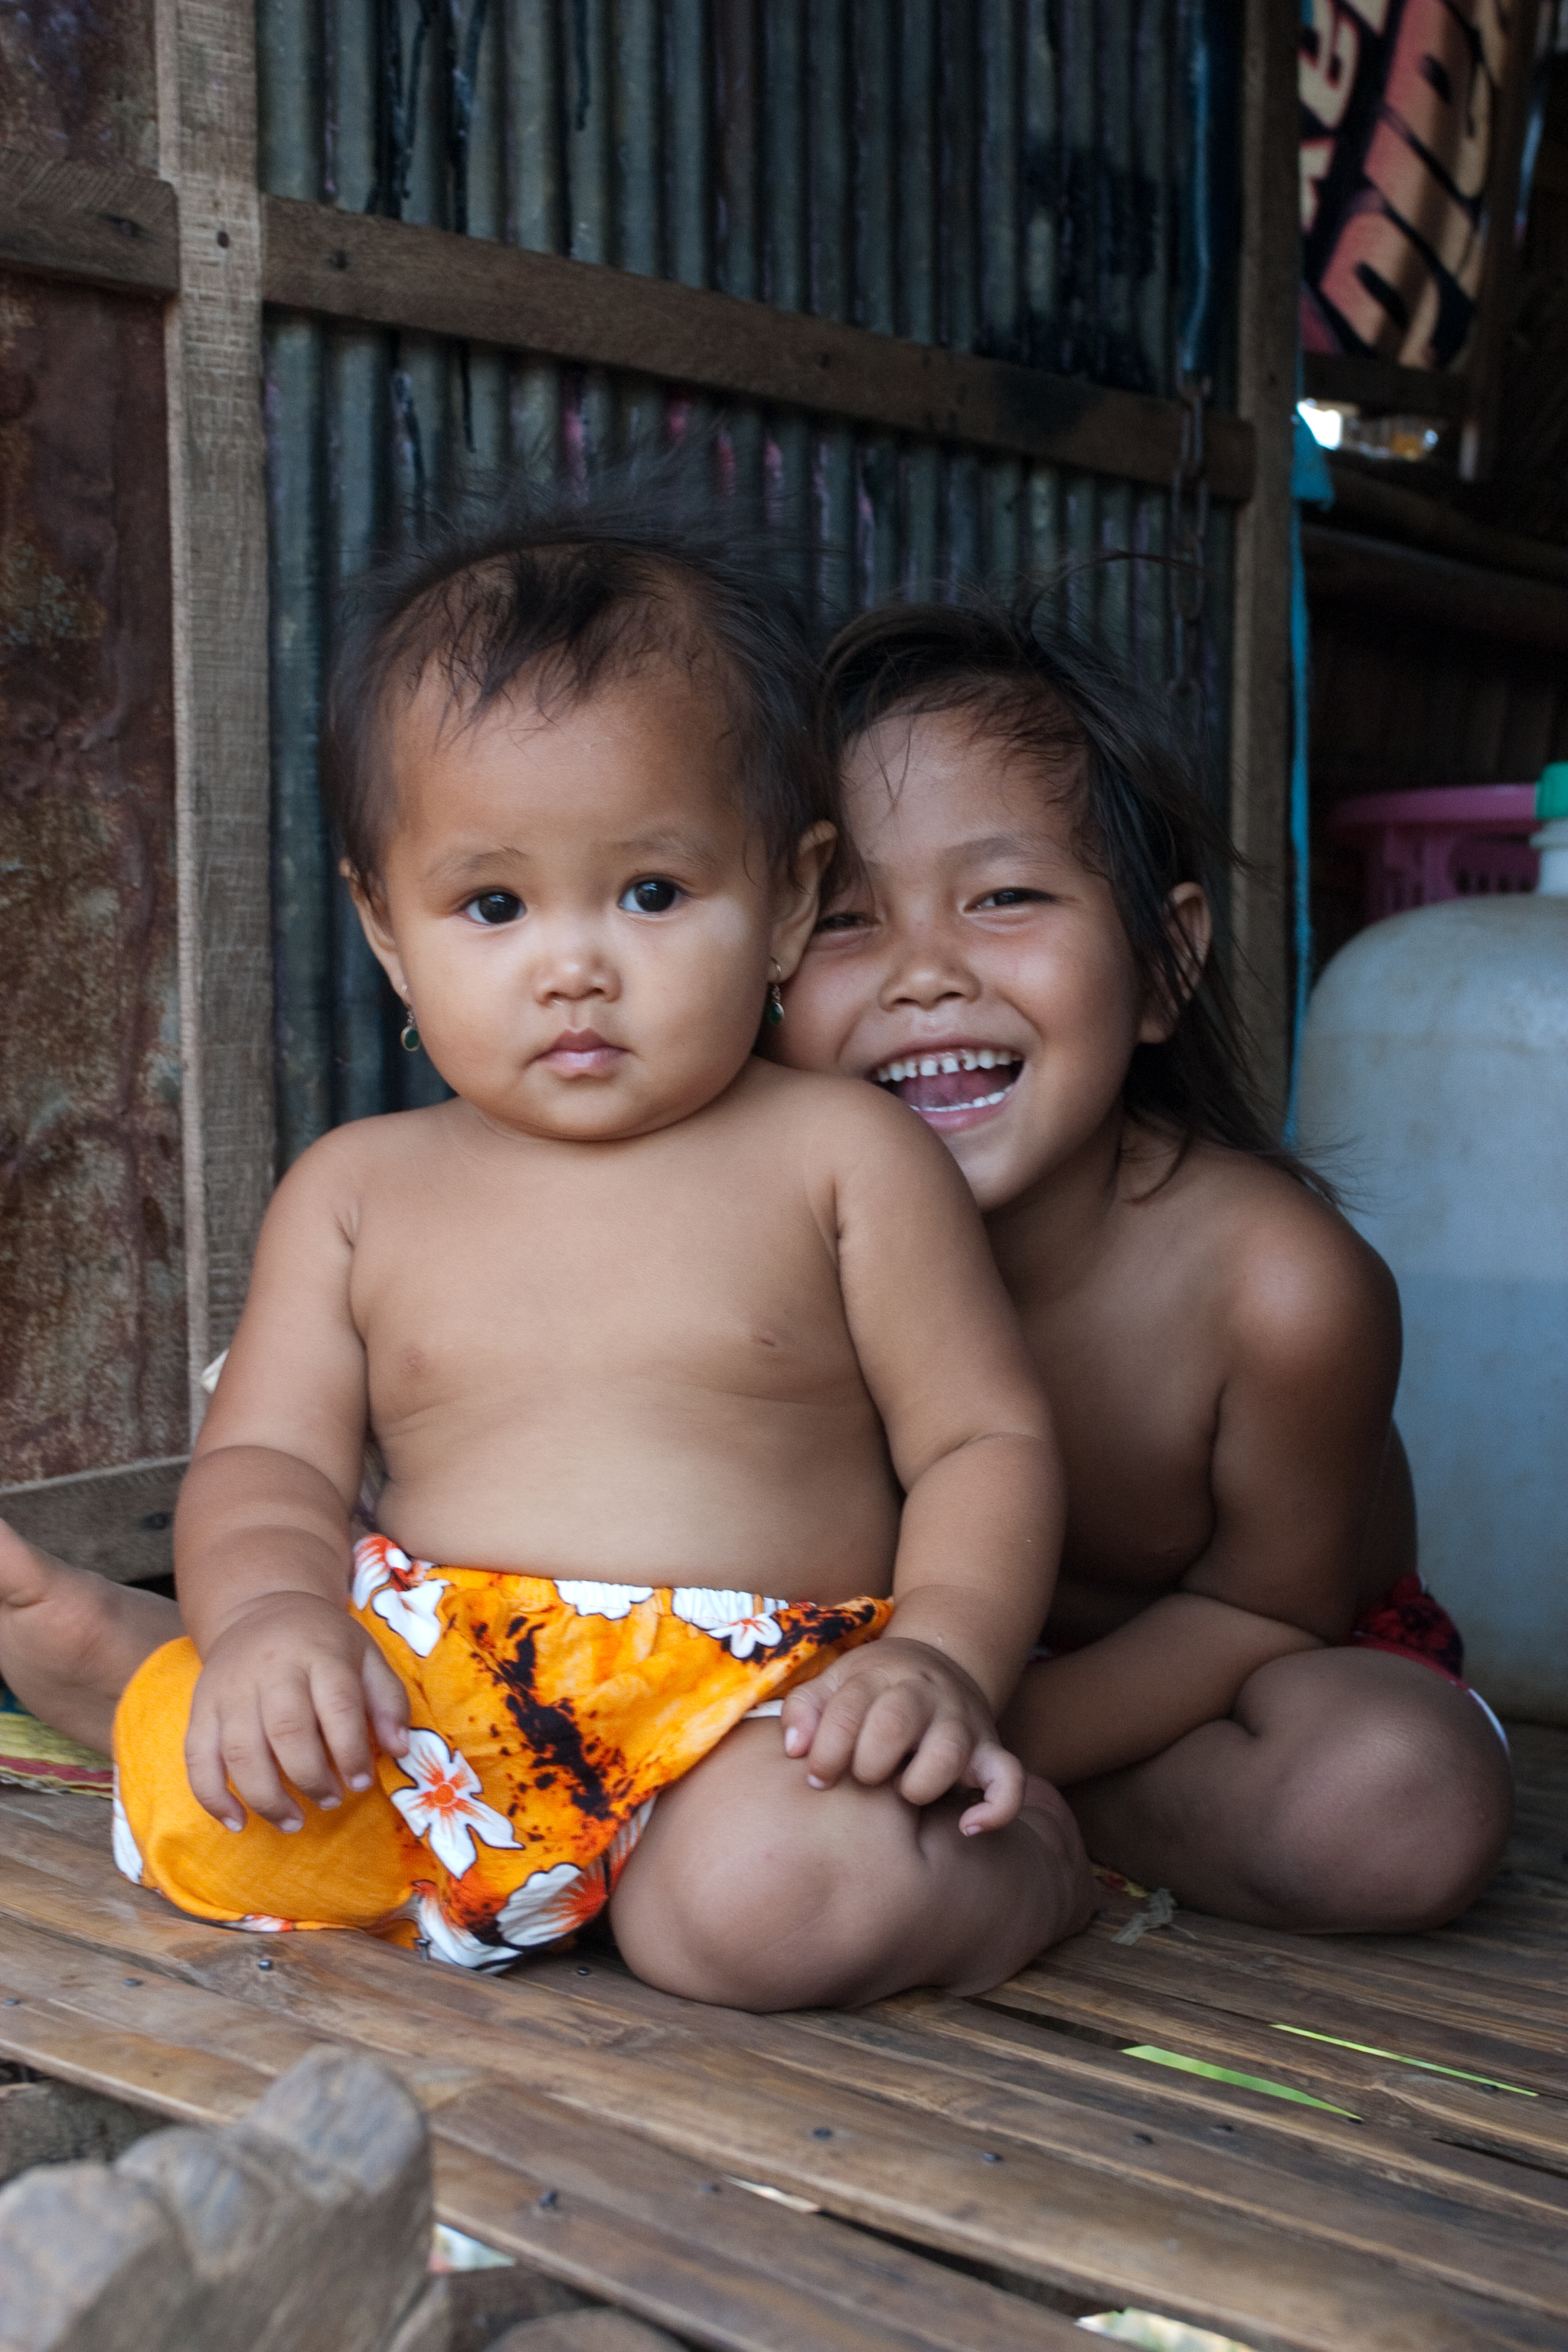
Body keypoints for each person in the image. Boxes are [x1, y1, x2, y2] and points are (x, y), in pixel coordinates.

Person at [0, 511, 1093, 2006]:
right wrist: (271, 1617)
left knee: (746, 1918)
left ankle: (1026, 1854)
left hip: (755, 1724)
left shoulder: (841, 1158)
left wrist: (946, 1663)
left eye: (650, 892)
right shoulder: (359, 1191)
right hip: (442, 1705)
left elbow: (982, 1437)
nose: (573, 965)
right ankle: (185, 1666)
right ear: (386, 929)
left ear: (784, 895)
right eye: (494, 905)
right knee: (231, 1807)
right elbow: (269, 1470)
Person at [773, 593, 1514, 1934]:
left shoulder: (1275, 1288)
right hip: (891, 1678)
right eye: (841, 919)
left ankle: (1061, 1824)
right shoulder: (745, 1235)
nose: (925, 973)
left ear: (1164, 966)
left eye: (1002, 898)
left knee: (1394, 1798)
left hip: (1242, 1673)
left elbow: (1267, 1610)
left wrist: (986, 1712)